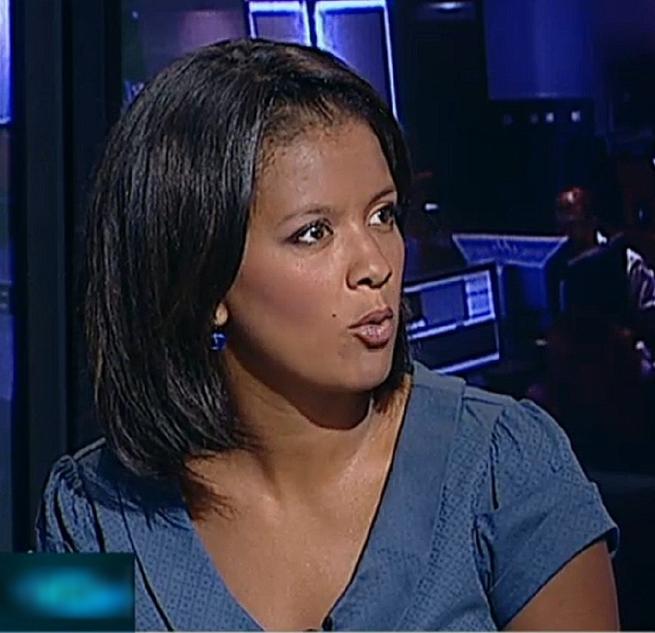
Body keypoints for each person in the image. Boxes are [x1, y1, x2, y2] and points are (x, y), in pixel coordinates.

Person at [36, 40, 618, 631]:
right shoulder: (85, 512)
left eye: (383, 215)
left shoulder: (507, 464)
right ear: (202, 281)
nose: (376, 265)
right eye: (314, 232)